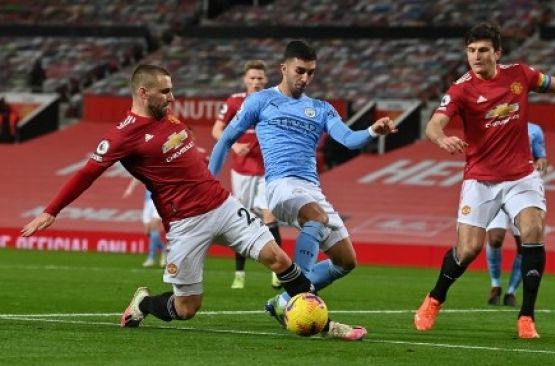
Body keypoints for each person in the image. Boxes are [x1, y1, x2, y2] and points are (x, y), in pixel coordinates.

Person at [20, 64, 318, 332]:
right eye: (164, 91)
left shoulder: (168, 117)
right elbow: (86, 173)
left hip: (223, 205)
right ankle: (145, 304)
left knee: (278, 258)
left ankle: (322, 320)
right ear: (143, 92)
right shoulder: (121, 137)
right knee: (187, 308)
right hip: (185, 222)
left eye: (171, 90)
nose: (171, 97)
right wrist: (51, 211)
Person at [414, 22, 555, 339]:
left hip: (521, 175)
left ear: (497, 53)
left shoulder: (520, 75)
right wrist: (441, 140)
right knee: (468, 250)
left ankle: (526, 317)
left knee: (533, 229)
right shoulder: (461, 89)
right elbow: (435, 125)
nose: (476, 57)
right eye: (471, 51)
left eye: (482, 50)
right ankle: (435, 298)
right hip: (480, 179)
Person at [209, 40, 397, 340]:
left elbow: (348, 139)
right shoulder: (261, 101)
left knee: (346, 261)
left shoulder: (321, 109)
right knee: (317, 218)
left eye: (311, 73)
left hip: (311, 188)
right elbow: (225, 140)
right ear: (284, 68)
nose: (305, 78)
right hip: (281, 185)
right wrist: (208, 183)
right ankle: (299, 299)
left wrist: (374, 131)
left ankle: (282, 302)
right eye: (300, 71)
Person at [212, 60, 283, 290]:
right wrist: (234, 147)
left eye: (260, 78)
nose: (256, 82)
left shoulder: (276, 101)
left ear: (266, 79)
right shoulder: (234, 102)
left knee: (270, 218)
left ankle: (277, 272)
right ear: (245, 80)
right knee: (241, 220)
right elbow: (217, 130)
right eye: (252, 78)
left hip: (267, 171)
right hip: (241, 171)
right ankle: (239, 273)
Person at [486, 122, 547, 307]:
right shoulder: (494, 122)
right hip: (496, 187)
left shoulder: (534, 129)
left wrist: (541, 163)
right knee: (495, 239)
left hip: (522, 191)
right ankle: (495, 285)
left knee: (525, 245)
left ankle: (511, 291)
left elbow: (542, 158)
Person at [123, 178, 166, 268]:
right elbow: (136, 177)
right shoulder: (147, 167)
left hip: (159, 200)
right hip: (148, 201)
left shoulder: (164, 167)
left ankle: (151, 258)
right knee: (148, 232)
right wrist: (129, 189)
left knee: (154, 226)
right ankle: (164, 251)